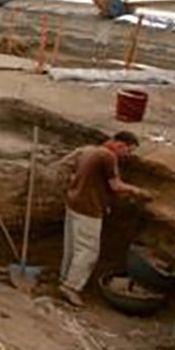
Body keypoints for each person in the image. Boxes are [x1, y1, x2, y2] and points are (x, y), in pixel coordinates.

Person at [58, 131, 151, 307]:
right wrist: (137, 191)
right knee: (88, 251)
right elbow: (115, 186)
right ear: (120, 145)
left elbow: (67, 166)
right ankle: (71, 287)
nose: (127, 155)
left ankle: (65, 278)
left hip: (73, 203)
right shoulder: (108, 156)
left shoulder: (88, 150)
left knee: (72, 246)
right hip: (89, 208)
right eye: (128, 150)